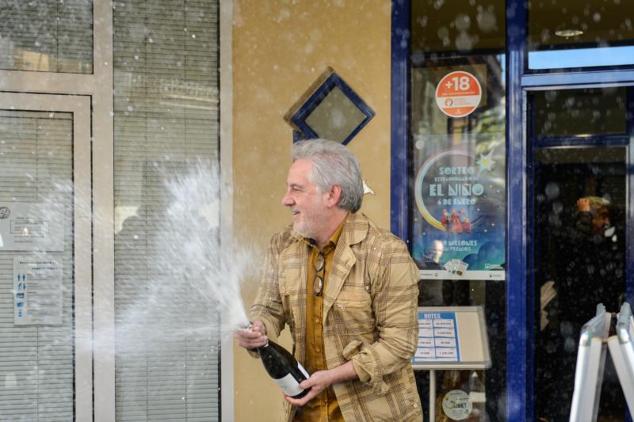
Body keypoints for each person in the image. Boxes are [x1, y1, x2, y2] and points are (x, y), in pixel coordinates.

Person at [235, 139, 423, 421]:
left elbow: (399, 344)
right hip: (304, 414)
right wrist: (259, 329)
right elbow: (269, 309)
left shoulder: (386, 252)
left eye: (296, 189)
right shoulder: (282, 245)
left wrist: (333, 376)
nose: (286, 199)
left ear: (332, 194)